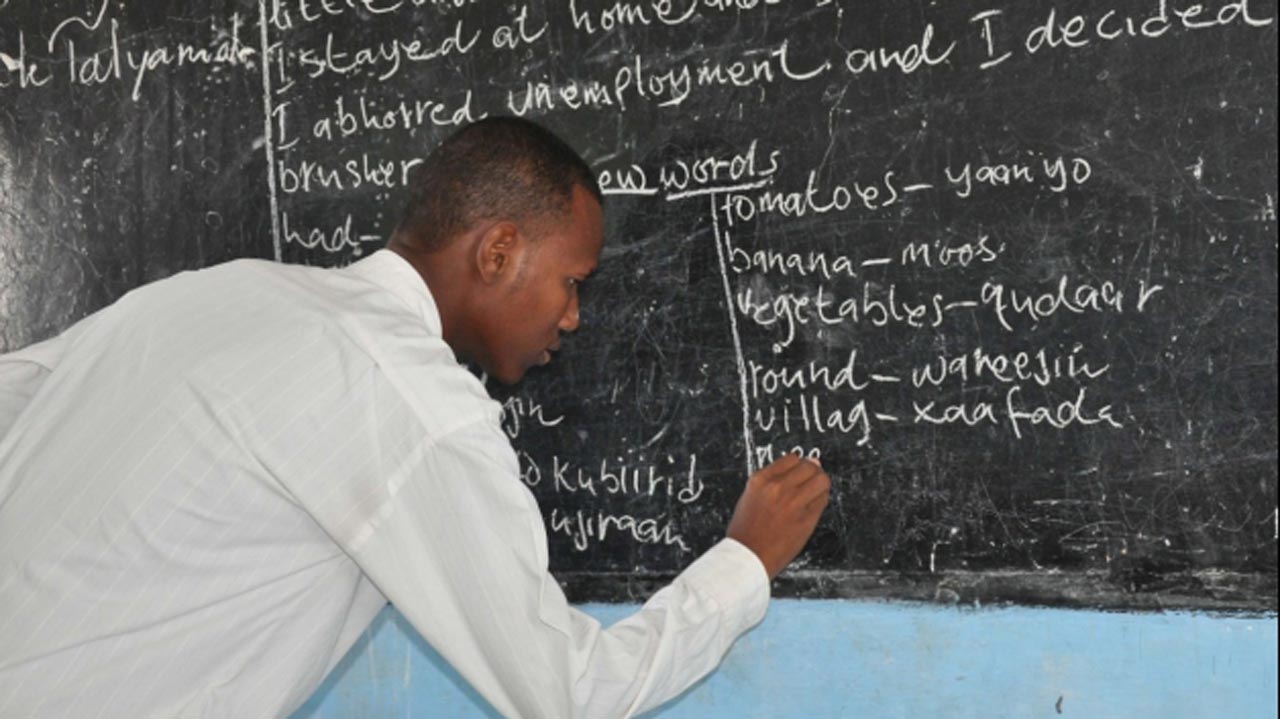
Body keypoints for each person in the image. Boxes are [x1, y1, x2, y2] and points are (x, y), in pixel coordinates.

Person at [0, 117, 829, 718]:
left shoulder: (217, 292)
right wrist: (744, 560)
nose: (573, 317)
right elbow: (565, 692)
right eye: (572, 281)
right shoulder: (411, 400)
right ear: (497, 251)